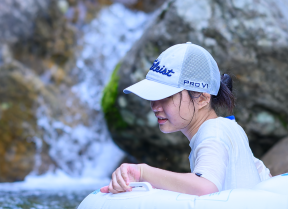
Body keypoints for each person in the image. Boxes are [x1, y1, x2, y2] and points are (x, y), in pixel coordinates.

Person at [102, 42, 271, 195]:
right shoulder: (230, 129)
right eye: (153, 96)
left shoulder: (213, 133)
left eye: (166, 96)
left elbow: (205, 187)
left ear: (202, 98)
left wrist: (142, 173)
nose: (155, 106)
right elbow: (265, 176)